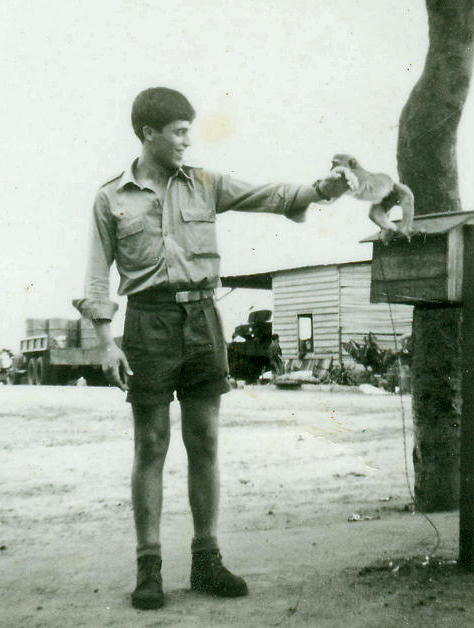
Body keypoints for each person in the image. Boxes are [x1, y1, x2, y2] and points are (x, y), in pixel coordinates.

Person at [72, 87, 350, 610]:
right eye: (178, 132)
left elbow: (270, 195)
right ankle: (149, 568)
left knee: (204, 441)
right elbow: (95, 275)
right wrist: (106, 342)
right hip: (148, 323)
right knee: (151, 444)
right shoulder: (111, 198)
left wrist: (322, 189)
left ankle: (206, 561)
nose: (186, 141)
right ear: (148, 133)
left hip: (203, 320)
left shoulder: (204, 183)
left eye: (188, 131)